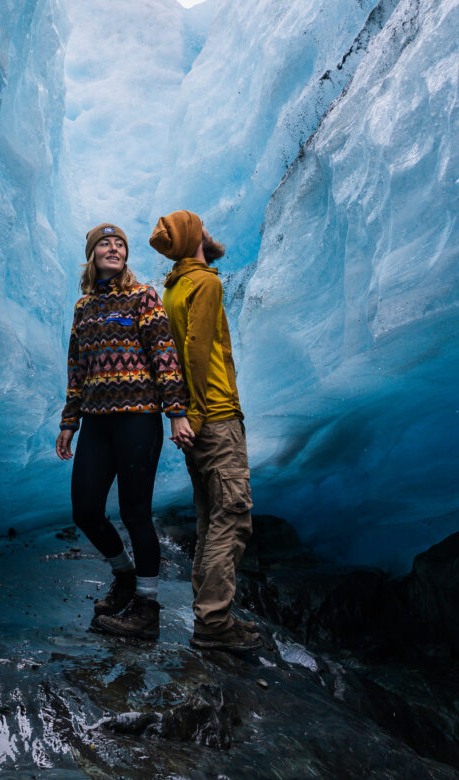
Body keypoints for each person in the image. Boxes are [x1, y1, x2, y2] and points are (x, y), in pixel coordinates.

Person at [56, 222, 194, 640]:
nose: (113, 248)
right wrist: (69, 421)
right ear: (92, 254)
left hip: (138, 417)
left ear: (126, 255)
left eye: (119, 244)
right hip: (97, 421)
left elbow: (164, 355)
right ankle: (125, 576)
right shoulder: (84, 307)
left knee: (135, 512)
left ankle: (147, 611)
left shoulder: (142, 297)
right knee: (85, 510)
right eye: (104, 243)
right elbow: (77, 368)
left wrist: (176, 412)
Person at [149, 210, 261, 652]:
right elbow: (195, 350)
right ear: (194, 236)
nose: (209, 232)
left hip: (200, 418)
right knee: (232, 517)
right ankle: (214, 622)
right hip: (215, 415)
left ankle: (210, 613)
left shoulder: (174, 287)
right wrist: (195, 412)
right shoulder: (206, 283)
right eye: (202, 226)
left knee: (209, 515)